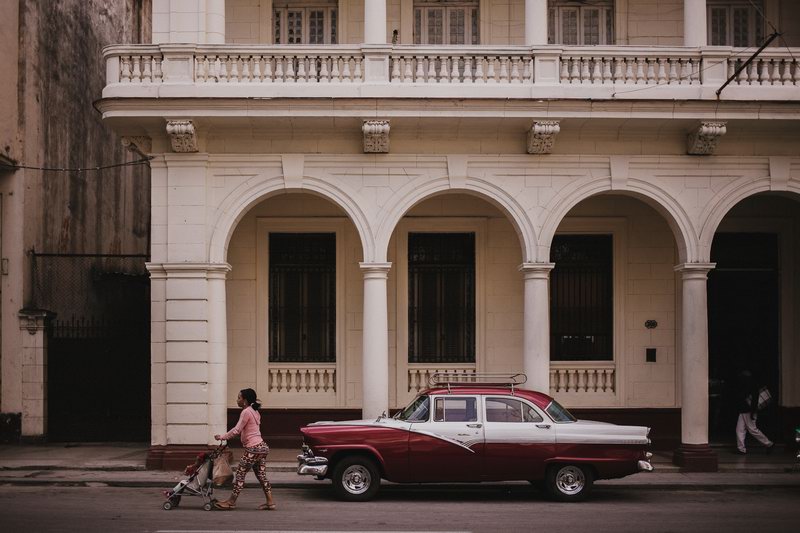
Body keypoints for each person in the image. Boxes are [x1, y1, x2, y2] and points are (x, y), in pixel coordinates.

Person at [213, 388, 276, 510]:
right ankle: (270, 502)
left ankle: (231, 502)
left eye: (239, 398)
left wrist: (222, 437)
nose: (237, 400)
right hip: (262, 447)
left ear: (245, 401)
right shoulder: (255, 411)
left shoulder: (246, 412)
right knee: (262, 476)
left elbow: (237, 430)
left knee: (240, 474)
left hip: (253, 449)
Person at [734, 370, 774, 455]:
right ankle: (741, 449)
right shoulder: (749, 385)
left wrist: (753, 412)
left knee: (752, 430)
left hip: (748, 411)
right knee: (740, 429)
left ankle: (769, 444)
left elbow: (754, 400)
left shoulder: (751, 386)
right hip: (744, 410)